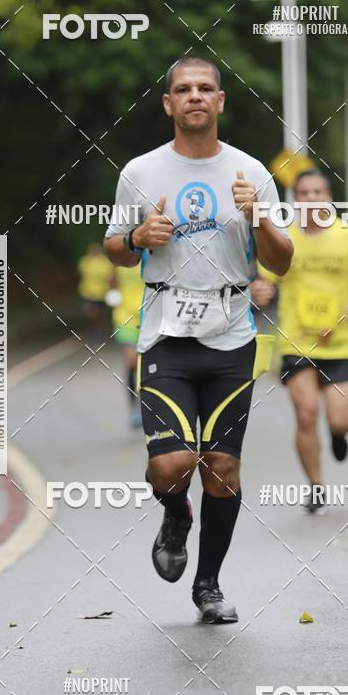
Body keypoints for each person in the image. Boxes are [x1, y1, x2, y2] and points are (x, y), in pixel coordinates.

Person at [104, 55, 292, 623]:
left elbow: (282, 261)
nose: (194, 97)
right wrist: (139, 235)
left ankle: (207, 584)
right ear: (168, 103)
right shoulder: (140, 172)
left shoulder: (251, 172)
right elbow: (114, 244)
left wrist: (258, 216)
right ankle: (175, 515)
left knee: (222, 467)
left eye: (204, 88)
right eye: (183, 89)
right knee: (172, 466)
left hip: (232, 335)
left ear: (220, 101)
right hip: (165, 335)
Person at [251, 169, 348, 515]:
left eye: (317, 192)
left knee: (341, 421)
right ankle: (316, 486)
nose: (310, 198)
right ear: (295, 199)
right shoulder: (284, 237)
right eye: (304, 193)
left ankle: (338, 436)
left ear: (328, 197)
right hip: (296, 342)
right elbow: (263, 279)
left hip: (338, 343)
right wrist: (260, 290)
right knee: (306, 414)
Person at [108, 265, 146, 428]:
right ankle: (134, 407)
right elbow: (111, 280)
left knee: (147, 364)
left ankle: (150, 405)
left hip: (149, 314)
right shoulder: (120, 257)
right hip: (125, 316)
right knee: (131, 362)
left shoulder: (152, 253)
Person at [77, 242, 113, 339]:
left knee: (100, 313)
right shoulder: (84, 261)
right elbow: (82, 274)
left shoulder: (104, 261)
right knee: (89, 312)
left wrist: (111, 289)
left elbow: (109, 276)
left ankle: (100, 328)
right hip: (87, 292)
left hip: (101, 293)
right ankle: (94, 327)